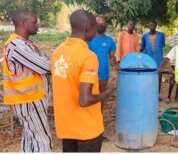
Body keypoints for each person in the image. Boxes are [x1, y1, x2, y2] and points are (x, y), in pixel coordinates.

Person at [51, 10, 116, 152]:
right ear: (88, 28)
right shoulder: (88, 56)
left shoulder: (57, 52)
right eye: (94, 26)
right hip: (86, 129)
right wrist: (109, 91)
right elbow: (85, 100)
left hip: (66, 127)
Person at [3, 10, 52, 152]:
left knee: (30, 137)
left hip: (31, 99)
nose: (37, 26)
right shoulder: (17, 46)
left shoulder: (26, 44)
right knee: (43, 140)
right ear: (22, 23)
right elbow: (46, 65)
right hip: (29, 100)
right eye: (34, 22)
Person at [140, 20, 166, 100]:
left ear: (156, 26)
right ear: (149, 26)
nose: (152, 27)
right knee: (149, 76)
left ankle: (157, 94)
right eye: (150, 25)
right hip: (149, 60)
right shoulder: (145, 36)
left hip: (158, 59)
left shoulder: (161, 35)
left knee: (159, 76)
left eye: (153, 25)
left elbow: (162, 45)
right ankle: (149, 93)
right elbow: (142, 48)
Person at [166, 23, 178, 102]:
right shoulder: (174, 37)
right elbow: (171, 49)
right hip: (174, 62)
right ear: (177, 28)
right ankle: (169, 96)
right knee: (172, 80)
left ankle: (177, 96)